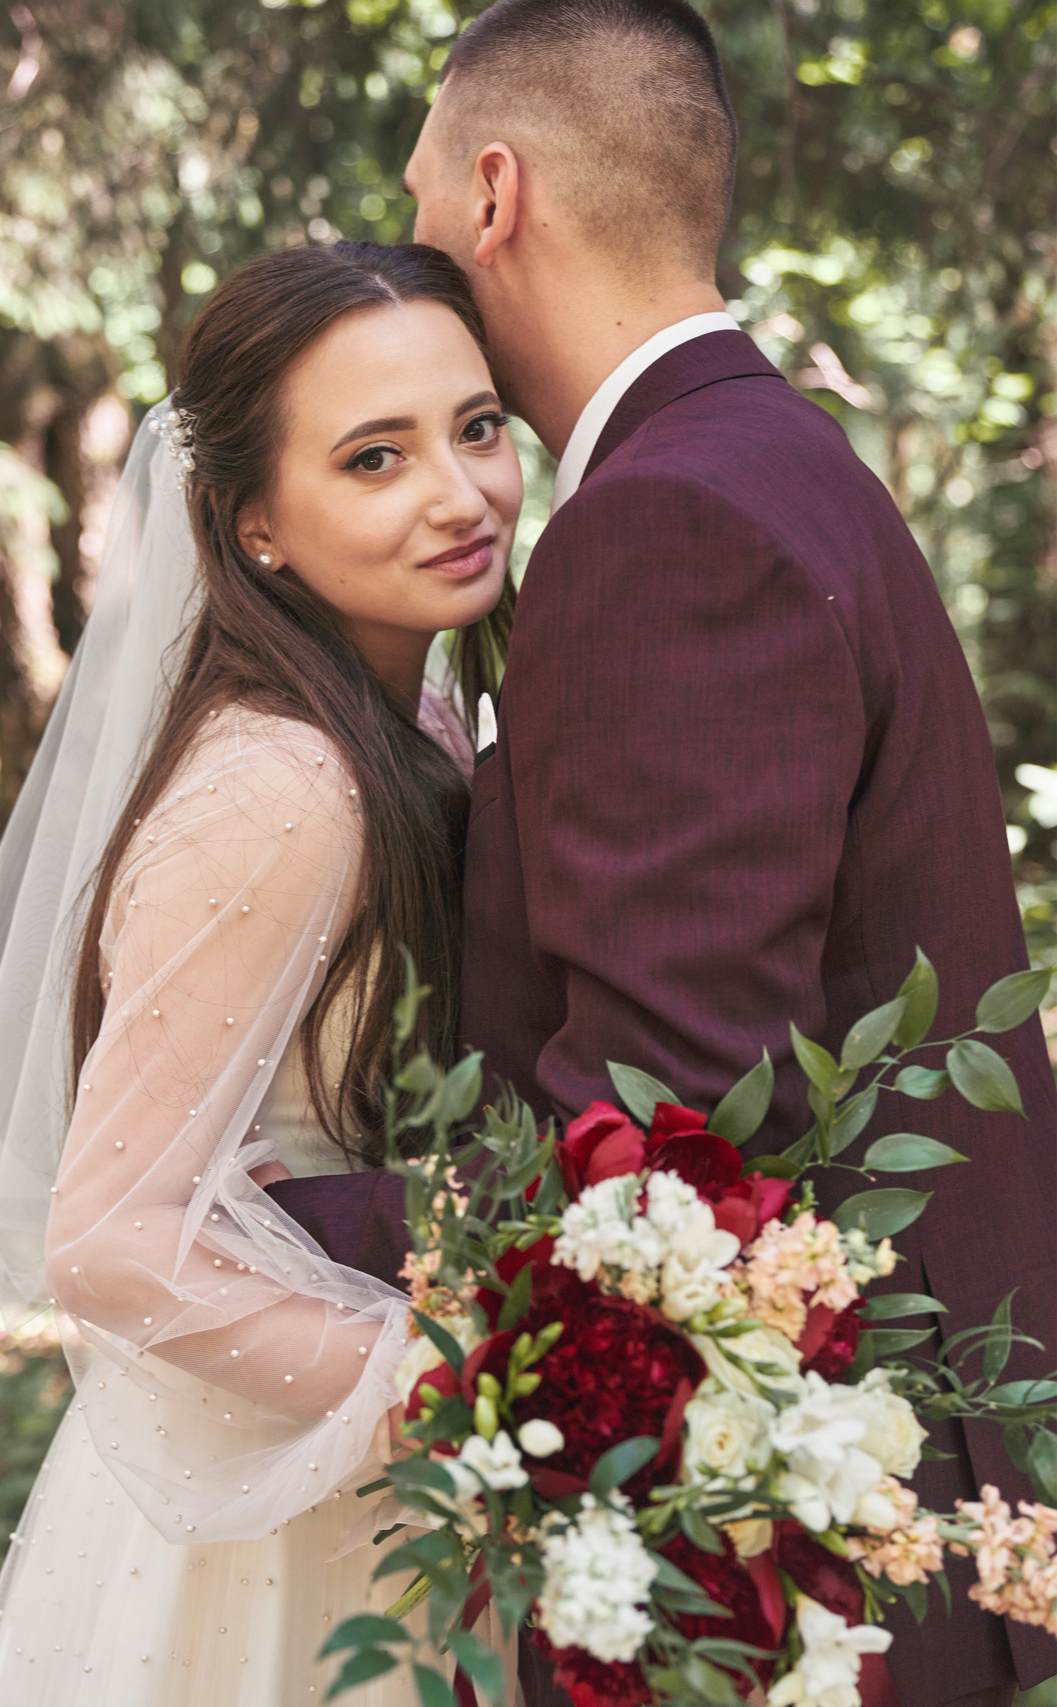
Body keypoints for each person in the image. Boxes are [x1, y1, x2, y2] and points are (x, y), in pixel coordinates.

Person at [267, 3, 1057, 1703]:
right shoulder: (771, 464)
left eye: (417, 205)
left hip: (781, 1542)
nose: (410, 247)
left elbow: (674, 1140)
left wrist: (285, 1221)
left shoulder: (667, 523)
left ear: (494, 195)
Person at [0, 240, 523, 1704]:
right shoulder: (282, 783)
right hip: (309, 1511)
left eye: (477, 428)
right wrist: (456, 1402)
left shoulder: (407, 707)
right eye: (375, 458)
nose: (460, 493)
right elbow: (104, 1237)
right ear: (257, 529)